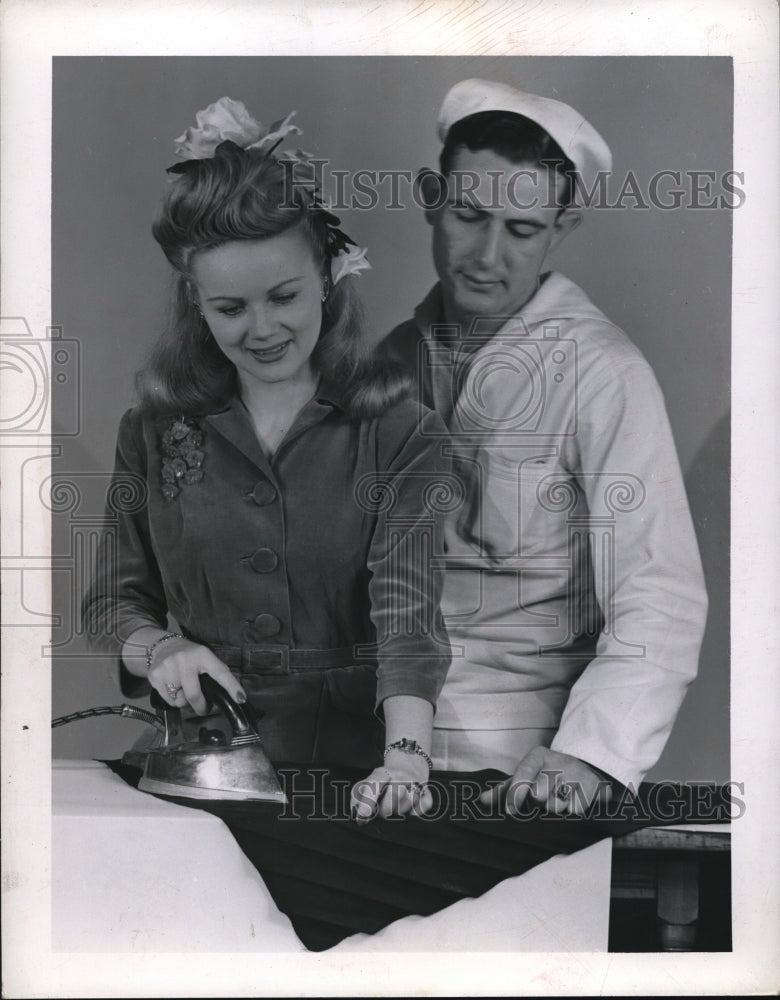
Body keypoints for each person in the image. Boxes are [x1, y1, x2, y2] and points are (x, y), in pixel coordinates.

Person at [82, 97, 452, 819]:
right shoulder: (151, 432)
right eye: (230, 308)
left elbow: (409, 618)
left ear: (327, 277)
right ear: (195, 302)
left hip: (349, 780)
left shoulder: (402, 433)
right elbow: (112, 603)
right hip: (192, 775)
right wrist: (159, 650)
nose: (262, 330)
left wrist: (406, 760)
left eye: (283, 296)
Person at [381, 79, 708, 814]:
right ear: (432, 195)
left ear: (562, 227)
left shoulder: (605, 373)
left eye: (522, 230)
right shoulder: (392, 359)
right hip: (377, 749)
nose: (487, 255)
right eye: (468, 215)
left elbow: (661, 595)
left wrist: (589, 755)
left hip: (518, 772)